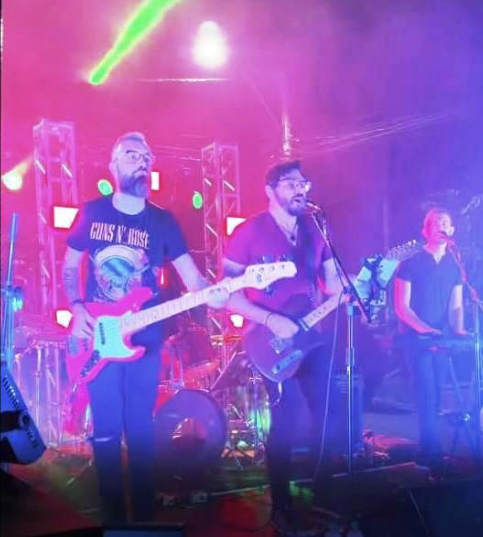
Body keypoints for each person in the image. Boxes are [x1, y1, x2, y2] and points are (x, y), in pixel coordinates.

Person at [62, 131, 225, 523]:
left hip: (145, 337)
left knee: (140, 428)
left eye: (147, 156)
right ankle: (114, 517)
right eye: (132, 155)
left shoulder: (163, 221)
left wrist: (218, 293)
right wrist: (77, 309)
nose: (142, 161)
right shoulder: (92, 212)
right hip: (100, 335)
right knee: (106, 428)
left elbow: (193, 280)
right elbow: (69, 267)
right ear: (114, 165)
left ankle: (144, 517)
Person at [222, 160, 342, 534]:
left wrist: (361, 283)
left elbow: (332, 283)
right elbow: (226, 293)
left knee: (329, 414)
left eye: (303, 183)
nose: (300, 189)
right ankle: (282, 507)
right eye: (291, 183)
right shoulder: (249, 232)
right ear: (270, 190)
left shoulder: (315, 228)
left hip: (313, 336)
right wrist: (271, 320)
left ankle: (323, 498)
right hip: (270, 342)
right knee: (287, 420)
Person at [394, 207, 466, 477]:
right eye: (436, 223)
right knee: (426, 394)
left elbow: (456, 306)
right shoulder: (410, 262)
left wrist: (459, 332)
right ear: (426, 230)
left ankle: (425, 453)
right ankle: (432, 455)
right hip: (415, 339)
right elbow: (402, 307)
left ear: (452, 230)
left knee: (437, 395)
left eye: (446, 223)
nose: (442, 227)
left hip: (441, 339)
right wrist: (426, 330)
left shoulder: (454, 264)